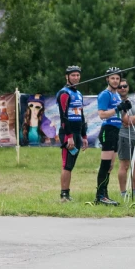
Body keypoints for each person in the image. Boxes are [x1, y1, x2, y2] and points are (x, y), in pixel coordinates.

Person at [93, 67, 132, 206]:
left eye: (117, 78)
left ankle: (105, 193)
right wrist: (117, 108)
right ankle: (100, 196)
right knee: (105, 165)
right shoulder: (105, 94)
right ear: (107, 79)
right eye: (112, 78)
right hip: (108, 130)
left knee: (110, 165)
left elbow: (123, 117)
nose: (115, 81)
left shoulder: (116, 95)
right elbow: (102, 114)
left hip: (116, 130)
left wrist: (125, 108)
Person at [56, 66, 89, 203]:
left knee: (72, 164)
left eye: (77, 75)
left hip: (77, 132)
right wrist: (69, 137)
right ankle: (64, 195)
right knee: (67, 164)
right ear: (67, 77)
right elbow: (64, 117)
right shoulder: (64, 93)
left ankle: (68, 194)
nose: (76, 78)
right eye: (73, 75)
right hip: (67, 133)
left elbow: (81, 115)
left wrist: (84, 136)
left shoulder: (79, 94)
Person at [116, 79, 135, 198]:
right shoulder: (118, 102)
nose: (122, 88)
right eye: (120, 87)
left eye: (125, 86)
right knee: (125, 165)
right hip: (124, 136)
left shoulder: (133, 102)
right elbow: (126, 121)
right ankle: (123, 192)